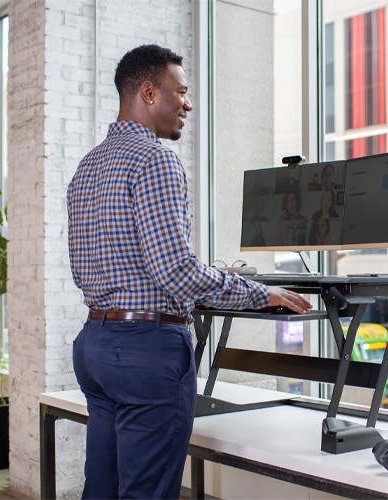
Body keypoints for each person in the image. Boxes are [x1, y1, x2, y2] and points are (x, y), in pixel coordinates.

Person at [66, 44, 311, 500]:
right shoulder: (155, 160)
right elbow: (175, 271)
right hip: (146, 351)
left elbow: (89, 264)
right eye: (180, 92)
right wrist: (261, 293)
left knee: (101, 487)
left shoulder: (87, 167)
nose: (188, 104)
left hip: (96, 346)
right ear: (147, 91)